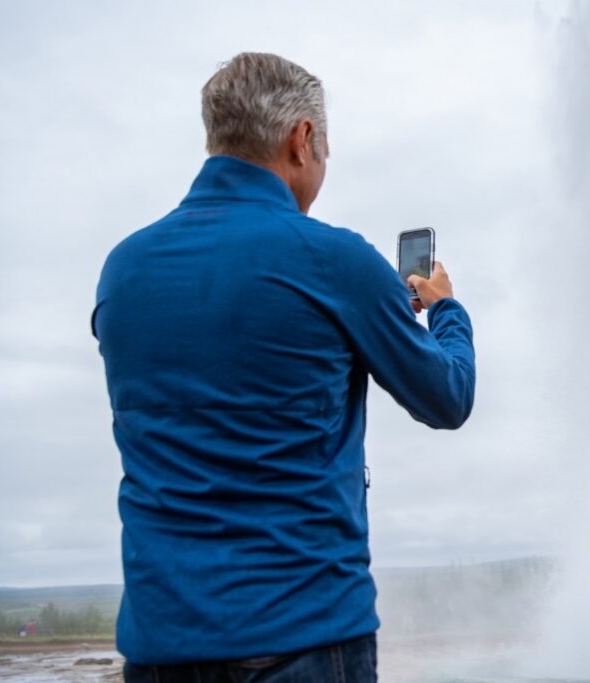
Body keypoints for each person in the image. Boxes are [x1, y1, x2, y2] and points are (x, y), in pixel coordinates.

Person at [92, 52, 476, 681]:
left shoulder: (123, 268)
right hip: (304, 633)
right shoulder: (335, 261)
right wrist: (448, 311)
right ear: (302, 139)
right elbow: (448, 396)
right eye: (324, 149)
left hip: (161, 641)